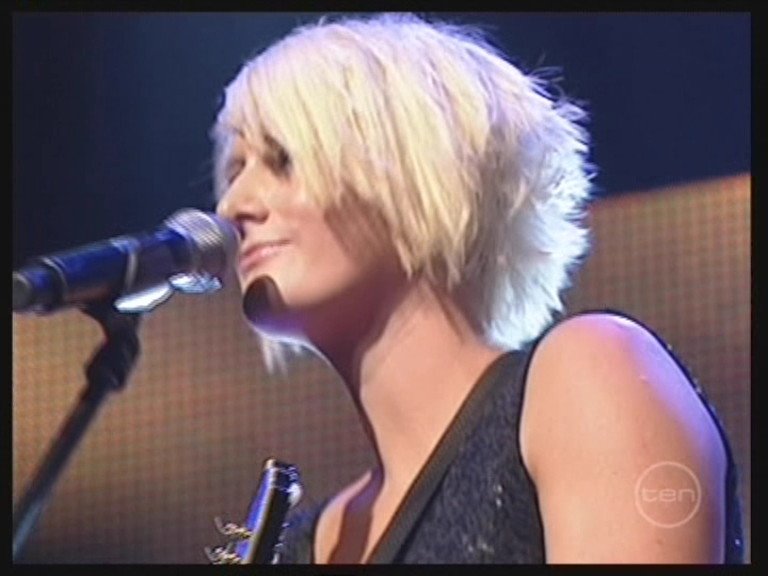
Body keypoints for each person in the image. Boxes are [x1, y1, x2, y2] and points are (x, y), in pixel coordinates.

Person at [211, 12, 743, 564]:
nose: (231, 206)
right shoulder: (309, 543)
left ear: (412, 170)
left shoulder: (590, 371)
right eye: (236, 170)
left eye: (283, 160)